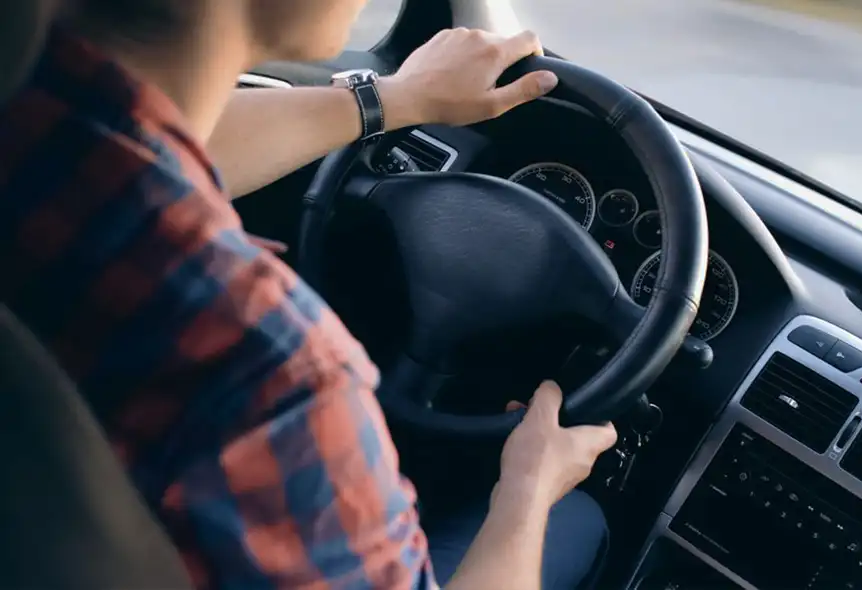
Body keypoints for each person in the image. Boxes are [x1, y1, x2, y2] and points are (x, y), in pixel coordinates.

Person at [0, 1, 619, 589]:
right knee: (574, 521)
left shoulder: (34, 115)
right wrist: (528, 486)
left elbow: (154, 142)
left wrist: (395, 99)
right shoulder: (267, 373)